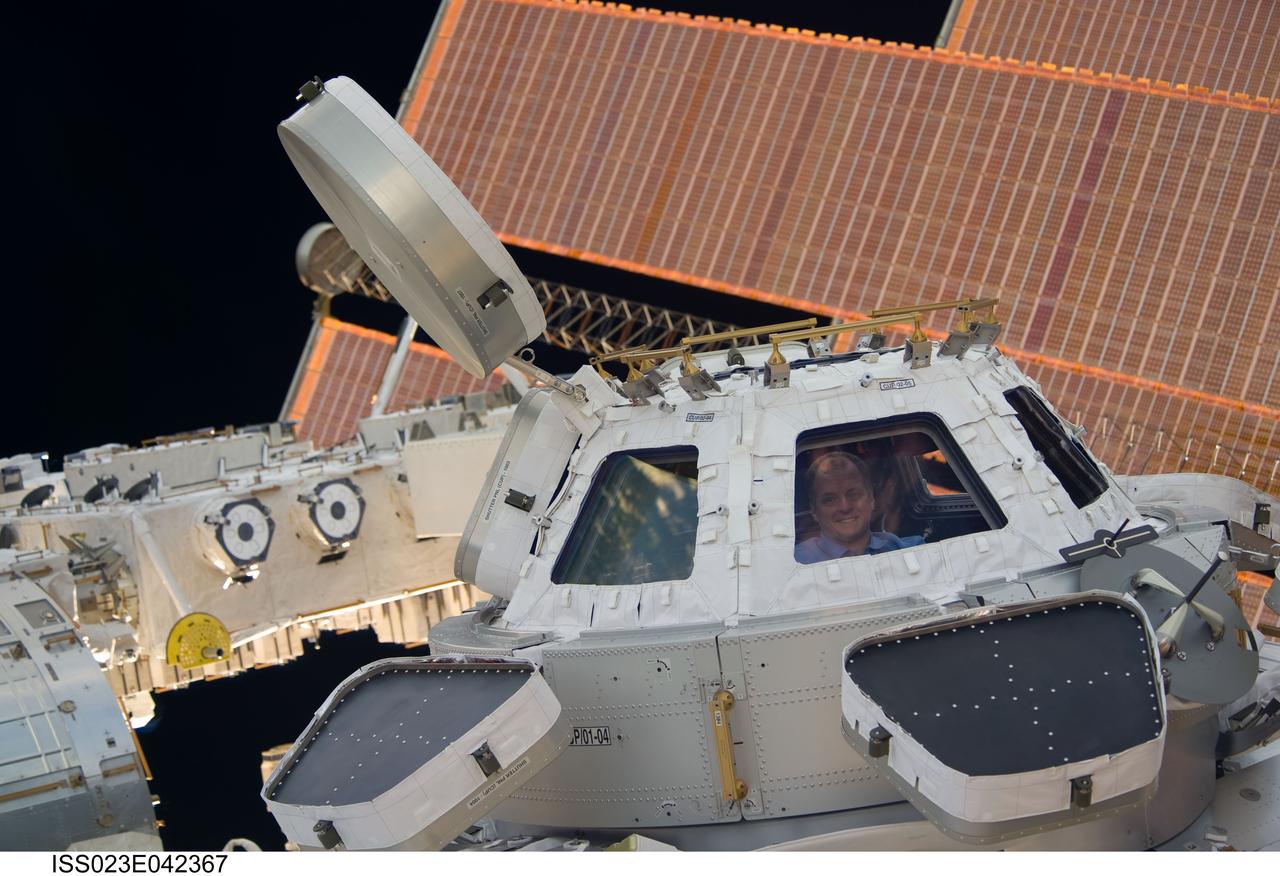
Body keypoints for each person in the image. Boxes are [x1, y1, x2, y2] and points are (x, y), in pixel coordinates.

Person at [794, 451, 923, 564]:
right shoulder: (796, 562)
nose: (844, 507)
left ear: (871, 499)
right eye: (830, 500)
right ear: (814, 511)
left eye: (853, 495)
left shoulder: (909, 549)